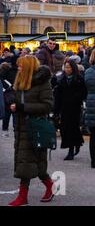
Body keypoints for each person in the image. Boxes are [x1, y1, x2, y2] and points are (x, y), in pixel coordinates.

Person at [8, 56, 54, 206]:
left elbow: (47, 106)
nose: (18, 68)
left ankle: (29, 194)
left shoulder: (42, 83)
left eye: (21, 66)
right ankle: (29, 194)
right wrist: (12, 103)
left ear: (28, 66)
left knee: (34, 164)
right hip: (22, 127)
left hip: (35, 128)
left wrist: (23, 107)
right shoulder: (21, 81)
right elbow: (18, 100)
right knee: (26, 162)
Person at [54, 60, 87, 160]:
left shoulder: (79, 79)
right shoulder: (61, 80)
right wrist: (56, 111)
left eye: (69, 67)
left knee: (73, 128)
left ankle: (71, 150)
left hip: (75, 108)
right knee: (64, 129)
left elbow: (83, 93)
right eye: (66, 67)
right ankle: (75, 144)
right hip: (64, 108)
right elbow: (58, 97)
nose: (67, 69)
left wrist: (75, 98)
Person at [0, 62, 17, 134]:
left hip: (6, 94)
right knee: (15, 112)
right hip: (14, 93)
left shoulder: (2, 74)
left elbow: (3, 84)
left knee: (7, 111)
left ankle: (5, 127)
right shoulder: (14, 71)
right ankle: (15, 127)